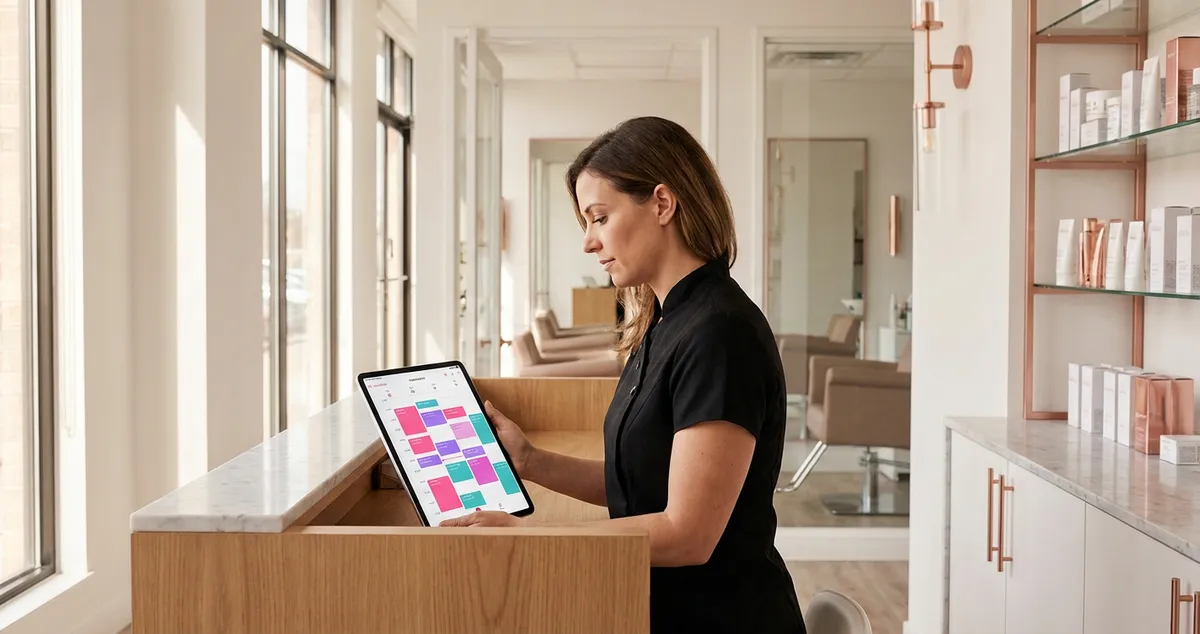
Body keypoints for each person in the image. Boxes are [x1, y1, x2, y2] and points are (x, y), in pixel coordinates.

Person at [440, 116, 806, 634]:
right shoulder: (665, 322)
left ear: (662, 203)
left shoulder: (720, 334)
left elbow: (686, 534)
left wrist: (530, 536)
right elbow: (640, 487)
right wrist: (530, 461)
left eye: (599, 217)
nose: (589, 242)